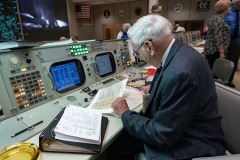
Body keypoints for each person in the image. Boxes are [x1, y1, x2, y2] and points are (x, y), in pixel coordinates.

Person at [107, 14, 226, 160]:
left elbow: (160, 135)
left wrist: (124, 112)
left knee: (119, 143)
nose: (140, 57)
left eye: (137, 53)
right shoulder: (179, 52)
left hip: (195, 142)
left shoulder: (181, 74)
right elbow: (169, 77)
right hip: (187, 129)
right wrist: (157, 88)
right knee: (123, 139)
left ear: (149, 46)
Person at [204, 0, 231, 70]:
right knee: (214, 72)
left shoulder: (219, 18)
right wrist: (222, 52)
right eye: (229, 7)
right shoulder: (217, 19)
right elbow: (218, 37)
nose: (230, 9)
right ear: (224, 9)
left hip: (216, 51)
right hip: (215, 51)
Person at [225, 0, 240, 88]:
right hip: (226, 39)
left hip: (237, 39)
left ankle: (229, 80)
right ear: (237, 2)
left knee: (234, 60)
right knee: (224, 59)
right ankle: (221, 78)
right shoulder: (227, 11)